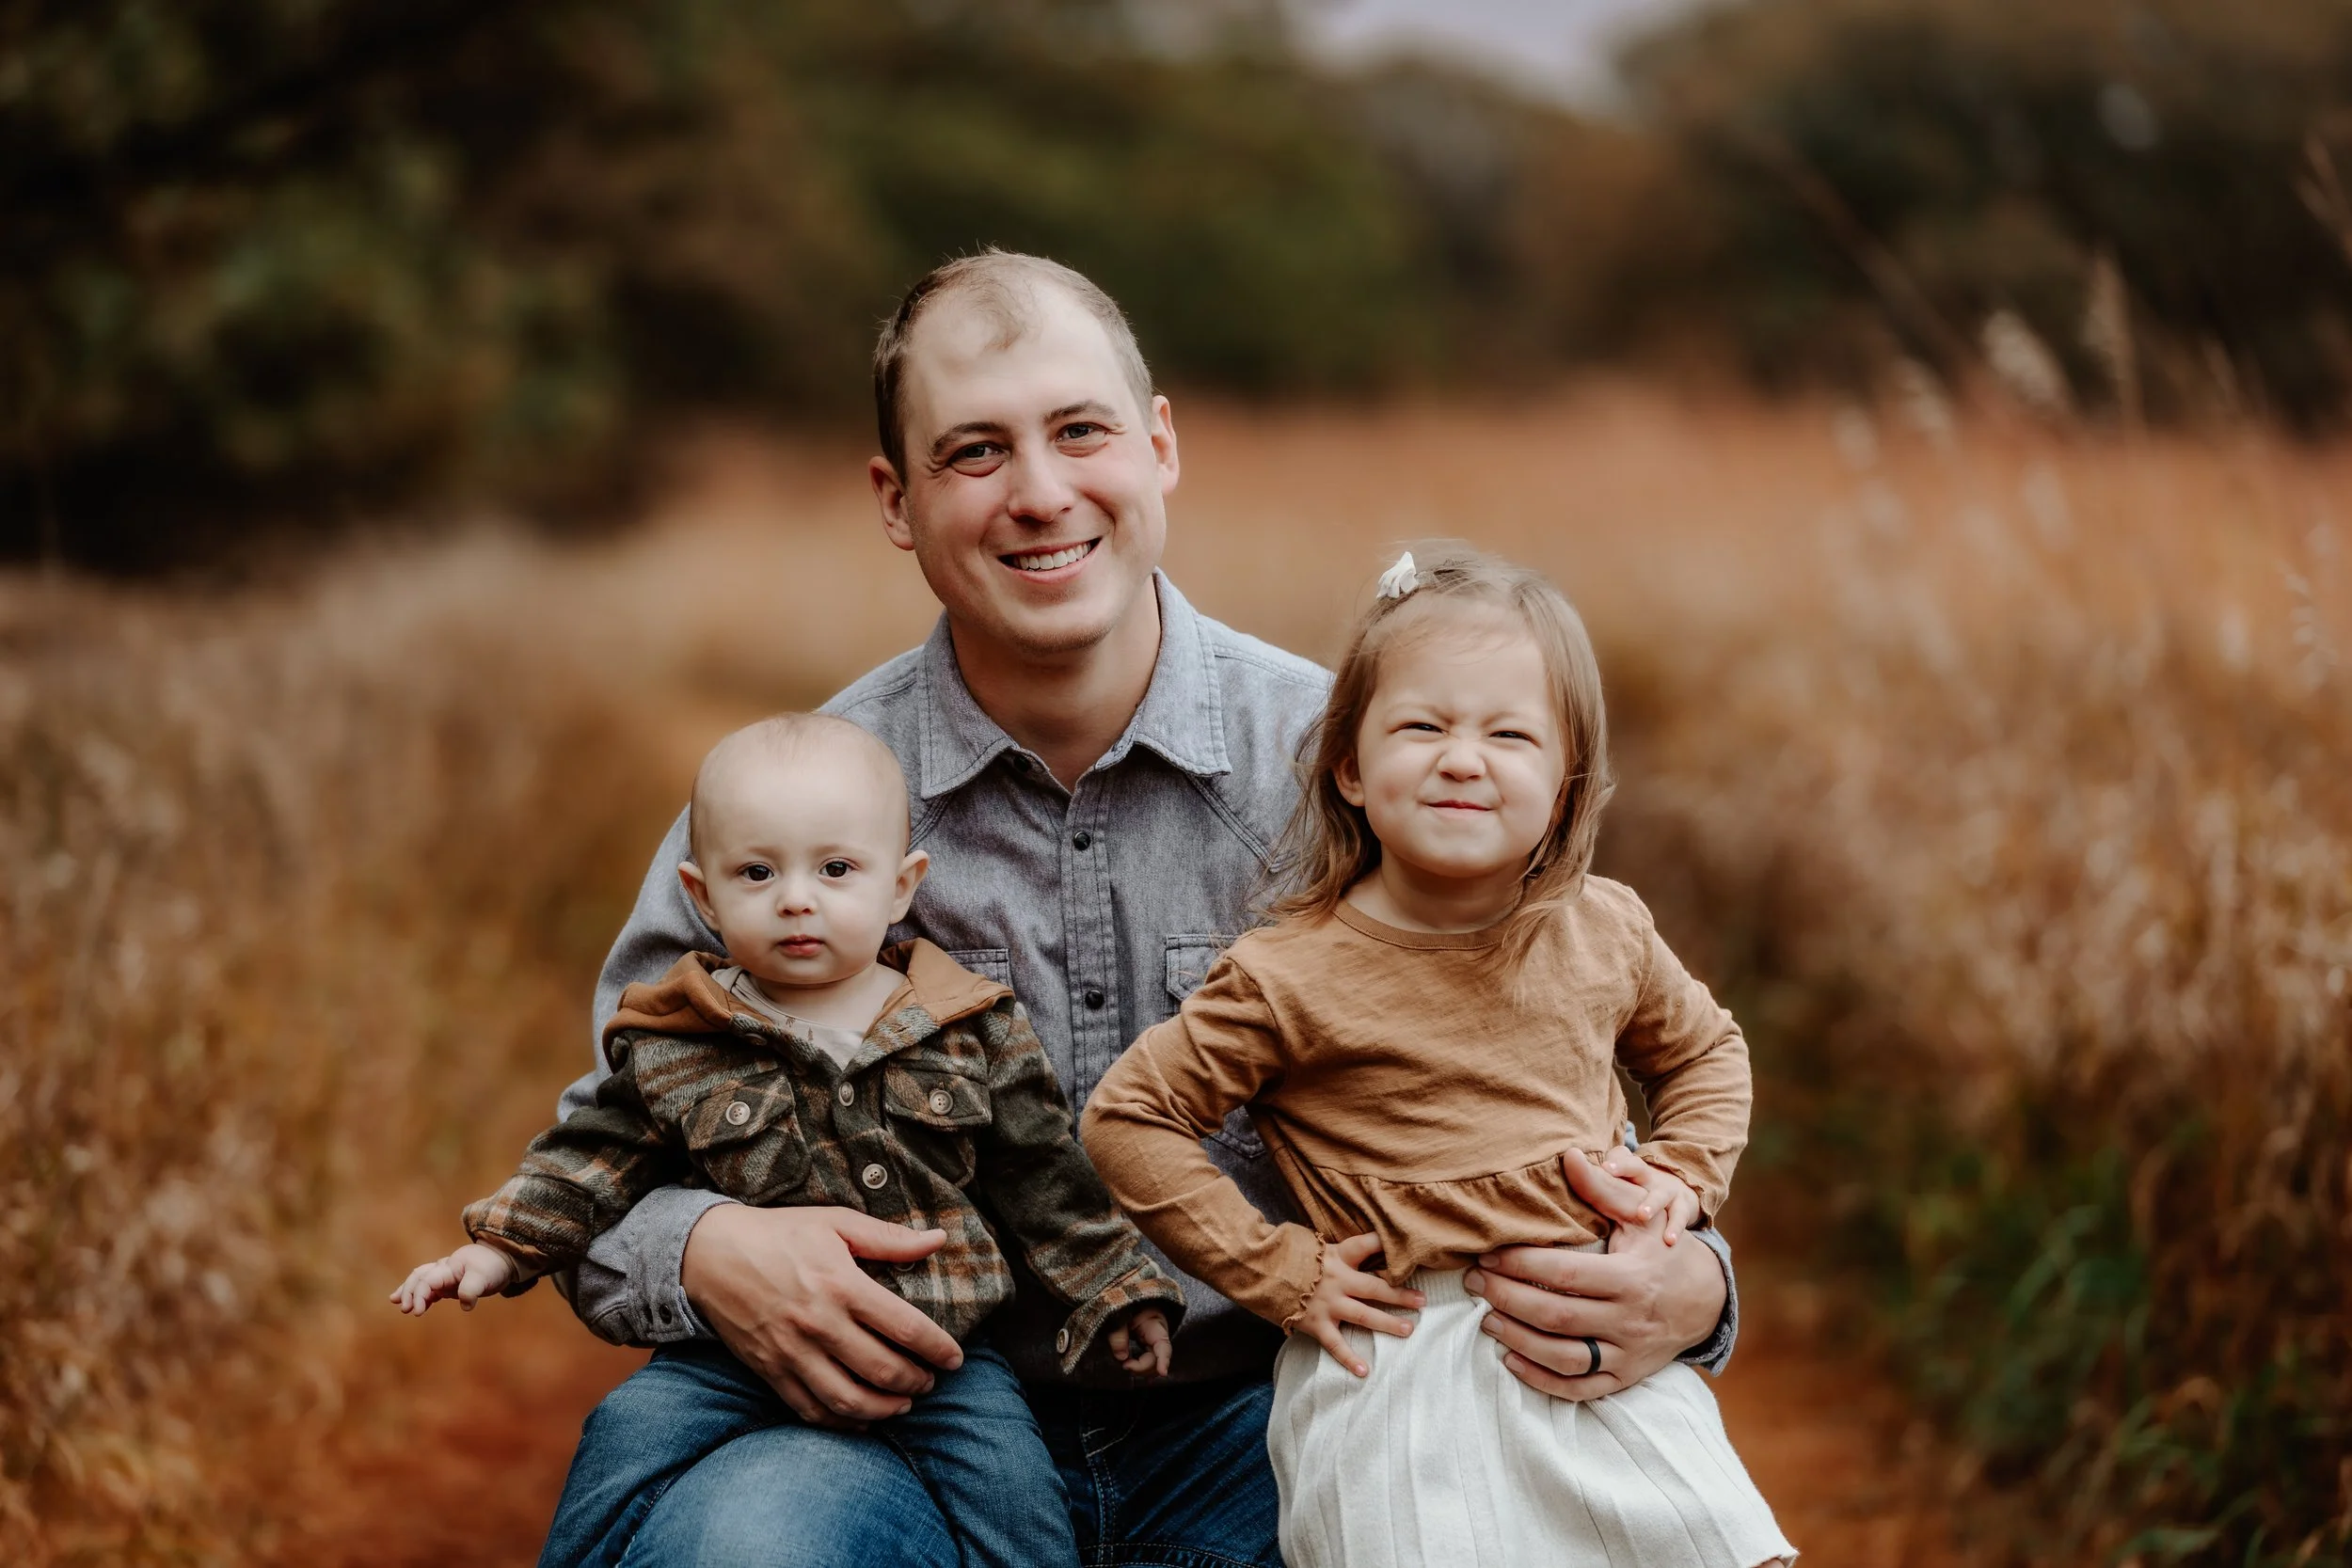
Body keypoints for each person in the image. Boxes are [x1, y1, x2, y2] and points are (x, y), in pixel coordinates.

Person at [558, 249, 1741, 1565]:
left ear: (1160, 444)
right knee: (744, 1546)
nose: (1041, 492)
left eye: (1080, 431)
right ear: (895, 499)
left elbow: (1557, 1062)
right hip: (901, 1420)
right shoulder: (799, 809)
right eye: (974, 452)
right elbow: (607, 1154)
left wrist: (1693, 1283)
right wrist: (709, 1240)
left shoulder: (1361, 767)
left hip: (1284, 1406)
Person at [1083, 546, 1793, 1568]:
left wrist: (1683, 1175)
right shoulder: (1290, 970)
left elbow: (1706, 1050)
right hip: (1401, 1358)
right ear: (1352, 768)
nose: (1464, 758)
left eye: (1510, 734)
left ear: (1564, 786)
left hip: (1593, 1343)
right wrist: (1281, 1271)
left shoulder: (1603, 928)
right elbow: (1129, 1119)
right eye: (1422, 726)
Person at [392, 714, 1179, 1568]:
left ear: (901, 886)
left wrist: (1115, 1289)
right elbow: (592, 1159)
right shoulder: (680, 1040)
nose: (797, 898)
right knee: (621, 1439)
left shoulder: (968, 1028)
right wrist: (503, 1250)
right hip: (730, 1357)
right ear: (701, 896)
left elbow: (1046, 1182)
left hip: (942, 1354)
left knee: (1019, 1508)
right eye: (757, 872)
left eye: (836, 869)